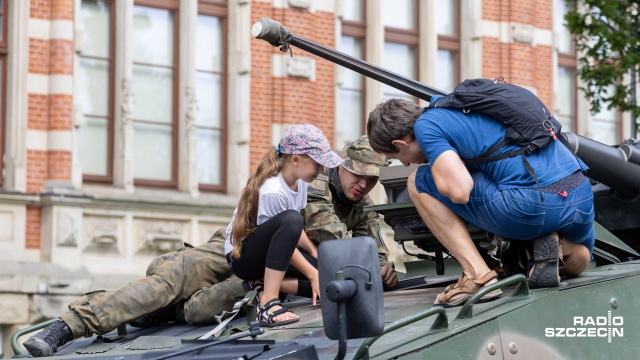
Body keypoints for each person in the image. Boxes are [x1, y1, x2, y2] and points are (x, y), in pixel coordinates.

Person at [366, 97, 594, 307]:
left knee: (418, 181)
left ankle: (478, 274)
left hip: (532, 205)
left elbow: (461, 191)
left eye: (396, 157)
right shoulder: (459, 109)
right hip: (580, 194)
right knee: (583, 255)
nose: (404, 164)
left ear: (402, 143)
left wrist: (438, 173)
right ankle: (564, 249)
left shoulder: (427, 128)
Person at [224, 123, 343, 327]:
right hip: (243, 258)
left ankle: (264, 285)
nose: (322, 169)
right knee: (295, 226)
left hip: (271, 254)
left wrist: (315, 253)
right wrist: (312, 273)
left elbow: (294, 233)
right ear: (295, 160)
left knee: (328, 274)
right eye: (318, 163)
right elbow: (286, 232)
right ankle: (268, 301)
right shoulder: (272, 190)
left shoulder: (301, 182)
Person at [303, 135, 398, 288]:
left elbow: (376, 252)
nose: (363, 184)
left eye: (372, 179)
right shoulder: (316, 180)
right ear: (341, 166)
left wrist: (383, 270)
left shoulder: (364, 206)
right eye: (358, 174)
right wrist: (367, 265)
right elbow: (325, 230)